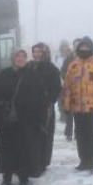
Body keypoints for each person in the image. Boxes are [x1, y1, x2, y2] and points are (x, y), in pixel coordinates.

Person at [0, 50, 46, 185]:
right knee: (7, 150)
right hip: (8, 121)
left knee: (25, 149)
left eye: (23, 56)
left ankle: (24, 176)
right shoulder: (4, 74)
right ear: (13, 58)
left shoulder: (32, 75)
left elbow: (40, 97)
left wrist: (40, 117)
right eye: (17, 56)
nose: (20, 59)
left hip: (27, 120)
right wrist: (0, 110)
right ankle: (7, 177)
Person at [63, 36, 93, 172]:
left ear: (91, 48)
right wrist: (67, 105)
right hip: (78, 108)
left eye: (87, 48)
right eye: (82, 48)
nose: (84, 50)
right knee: (80, 135)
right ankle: (83, 160)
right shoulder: (73, 65)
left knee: (92, 134)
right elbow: (68, 87)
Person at [29, 43, 61, 171]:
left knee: (45, 135)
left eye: (39, 52)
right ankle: (33, 160)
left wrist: (48, 102)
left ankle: (43, 162)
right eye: (34, 52)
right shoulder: (30, 66)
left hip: (45, 107)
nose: (36, 54)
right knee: (32, 135)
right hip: (30, 107)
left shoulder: (52, 69)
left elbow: (56, 89)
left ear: (45, 53)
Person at [60, 38, 81, 140]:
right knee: (69, 113)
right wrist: (69, 79)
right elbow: (63, 72)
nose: (76, 47)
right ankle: (69, 133)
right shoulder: (68, 59)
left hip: (82, 91)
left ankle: (78, 133)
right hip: (70, 90)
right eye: (75, 45)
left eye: (78, 45)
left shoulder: (85, 58)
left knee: (79, 113)